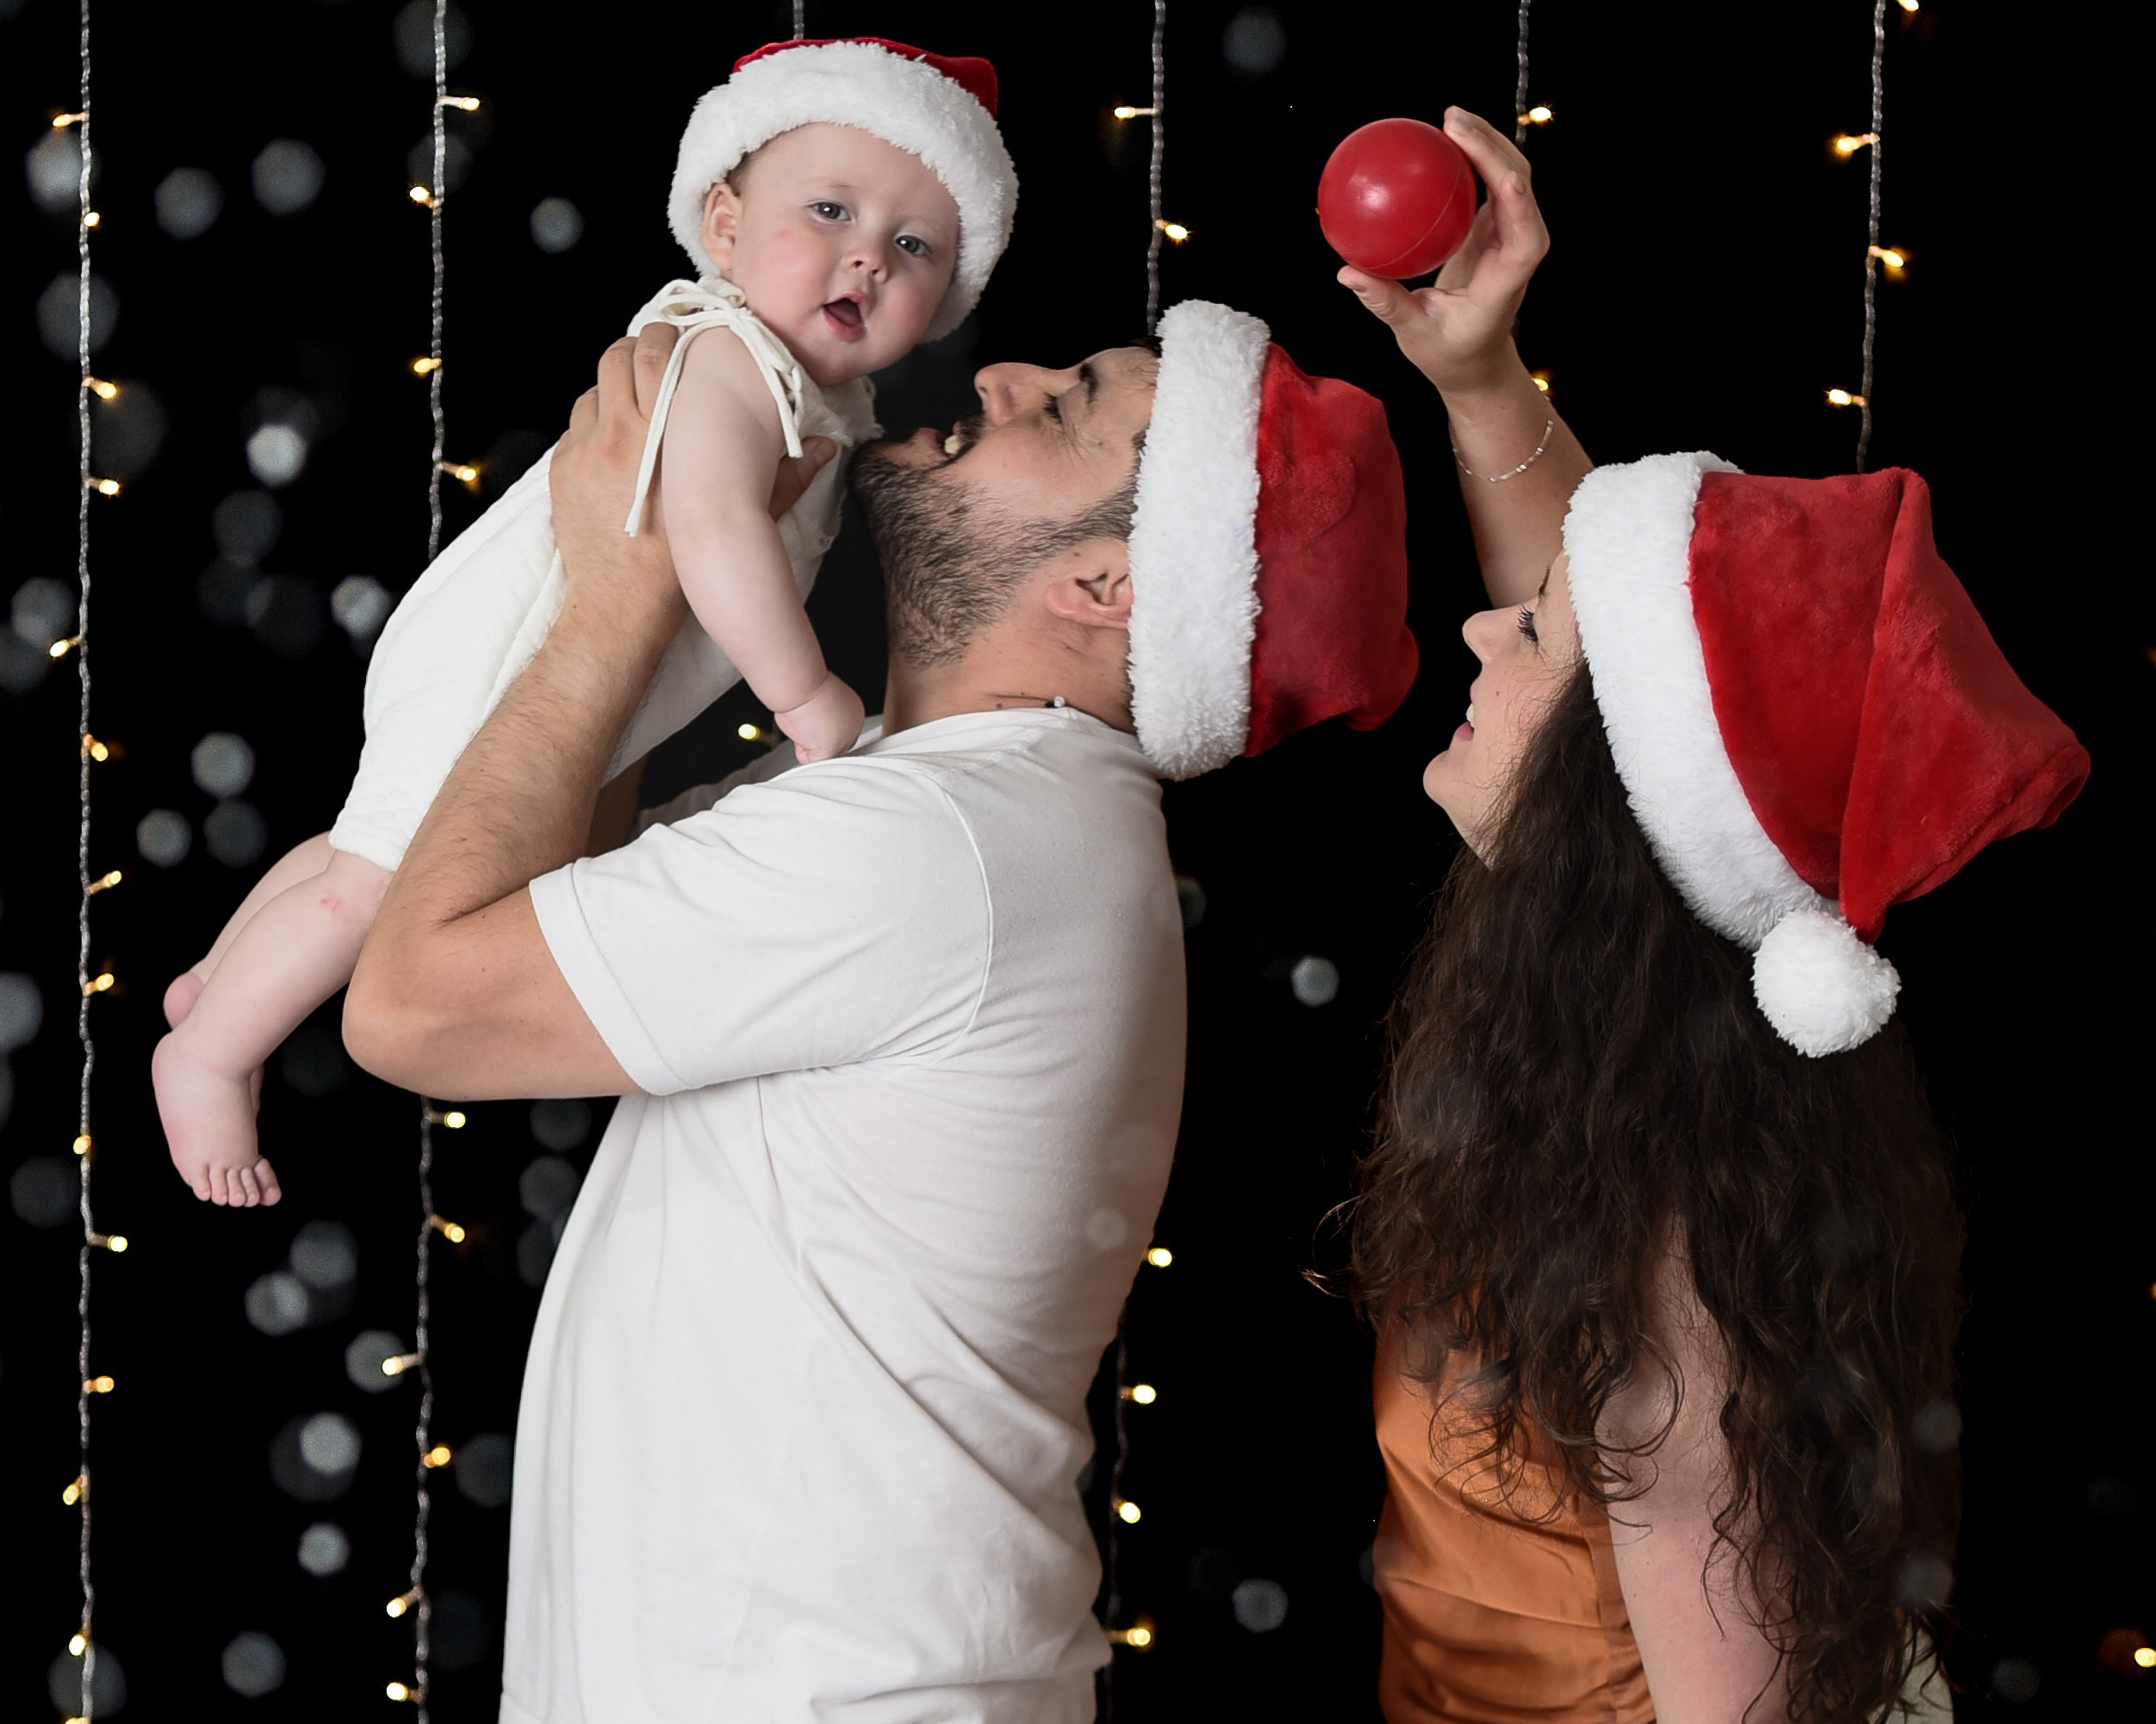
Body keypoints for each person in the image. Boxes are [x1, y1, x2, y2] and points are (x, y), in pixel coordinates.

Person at [341, 295, 1418, 1719]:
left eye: (1074, 407)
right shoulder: (927, 801)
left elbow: (418, 1003)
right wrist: (664, 553)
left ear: (1111, 588)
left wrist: (617, 589)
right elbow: (558, 895)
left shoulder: (947, 846)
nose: (1011, 376)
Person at [1341, 110, 2087, 1723]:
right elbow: (1633, 666)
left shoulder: (1671, 1249)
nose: (1479, 625)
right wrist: (1478, 376)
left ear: (1604, 805)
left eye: (1524, 628)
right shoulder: (1630, 1094)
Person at [153, 36, 1019, 1205]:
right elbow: (711, 530)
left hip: (536, 654)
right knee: (376, 885)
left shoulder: (824, 397)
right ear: (722, 224)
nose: (866, 253)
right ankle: (206, 1057)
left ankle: (216, 980)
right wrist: (805, 693)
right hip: (510, 650)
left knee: (368, 843)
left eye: (914, 246)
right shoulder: (729, 357)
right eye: (828, 209)